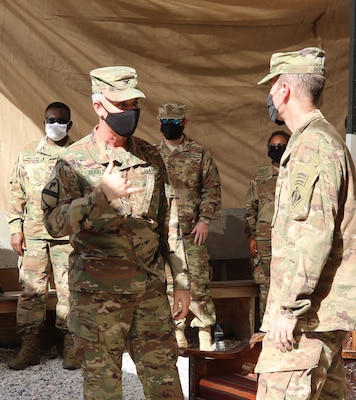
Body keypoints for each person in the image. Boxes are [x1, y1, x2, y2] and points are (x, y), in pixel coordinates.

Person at [41, 67, 190, 400]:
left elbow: (170, 223)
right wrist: (98, 197)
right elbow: (52, 223)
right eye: (121, 105)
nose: (130, 112)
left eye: (134, 104)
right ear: (98, 106)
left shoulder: (151, 157)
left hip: (149, 294)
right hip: (98, 299)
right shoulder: (72, 162)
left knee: (166, 385)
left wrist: (182, 283)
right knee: (103, 388)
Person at [254, 47, 356, 399]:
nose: (269, 97)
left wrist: (288, 310)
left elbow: (313, 237)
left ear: (283, 90)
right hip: (320, 315)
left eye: (271, 88)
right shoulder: (322, 140)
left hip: (305, 320)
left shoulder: (312, 146)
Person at [7, 102, 80, 370]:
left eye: (60, 121)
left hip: (67, 236)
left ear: (69, 125)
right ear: (44, 121)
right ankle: (29, 345)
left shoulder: (78, 154)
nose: (55, 125)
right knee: (31, 291)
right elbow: (16, 191)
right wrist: (15, 228)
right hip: (34, 235)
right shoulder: (28, 153)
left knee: (69, 291)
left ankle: (71, 344)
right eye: (50, 120)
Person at [153, 102, 221, 351]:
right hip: (163, 232)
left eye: (174, 122)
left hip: (192, 231)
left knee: (199, 282)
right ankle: (177, 330)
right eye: (165, 122)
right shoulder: (151, 153)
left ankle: (204, 330)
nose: (169, 126)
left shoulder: (199, 153)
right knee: (169, 283)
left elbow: (211, 188)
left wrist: (205, 220)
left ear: (184, 123)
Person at [245, 130, 290, 321]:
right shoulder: (261, 176)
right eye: (273, 146)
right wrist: (251, 236)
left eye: (281, 146)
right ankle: (268, 324)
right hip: (265, 237)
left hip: (290, 236)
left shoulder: (297, 172)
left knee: (289, 281)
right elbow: (251, 208)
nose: (277, 150)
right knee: (267, 283)